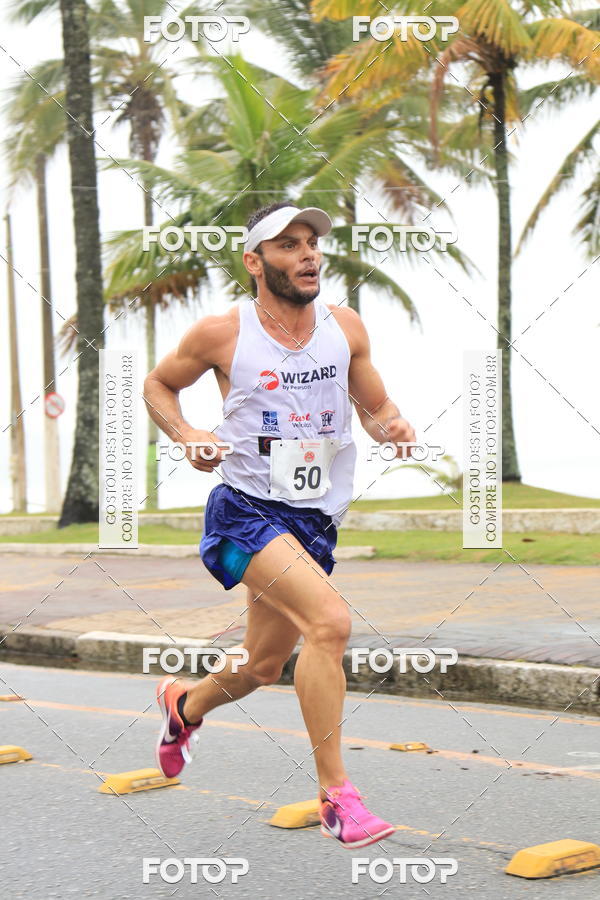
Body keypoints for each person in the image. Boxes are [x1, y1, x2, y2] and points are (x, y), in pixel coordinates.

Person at [143, 202, 416, 848]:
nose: (308, 255)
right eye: (289, 245)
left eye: (312, 243)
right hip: (243, 511)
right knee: (330, 623)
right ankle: (337, 797)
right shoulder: (222, 334)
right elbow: (158, 385)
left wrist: (392, 427)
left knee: (262, 665)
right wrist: (186, 434)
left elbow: (375, 407)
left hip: (313, 521)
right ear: (255, 261)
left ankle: (183, 706)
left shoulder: (343, 328)